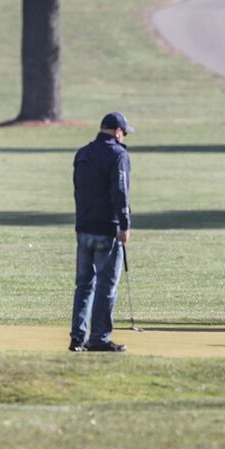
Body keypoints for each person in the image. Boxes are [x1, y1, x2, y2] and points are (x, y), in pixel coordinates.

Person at [70, 111, 133, 352]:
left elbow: (78, 190)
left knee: (84, 284)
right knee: (107, 285)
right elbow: (120, 192)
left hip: (84, 226)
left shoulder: (83, 153)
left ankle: (77, 336)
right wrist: (125, 224)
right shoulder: (118, 155)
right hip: (108, 228)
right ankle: (99, 337)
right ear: (118, 131)